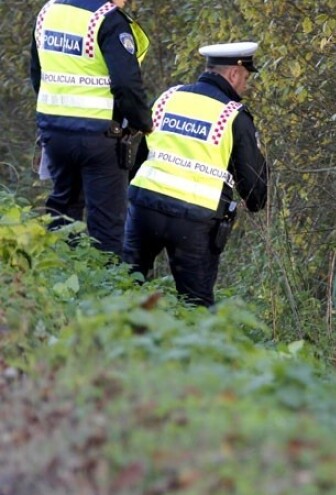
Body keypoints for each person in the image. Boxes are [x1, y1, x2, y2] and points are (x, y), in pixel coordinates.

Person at [123, 42, 269, 307]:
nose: (245, 87)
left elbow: (141, 157)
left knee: (124, 283)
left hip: (145, 208)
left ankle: (109, 339)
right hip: (194, 221)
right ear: (233, 74)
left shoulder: (169, 97)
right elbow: (254, 186)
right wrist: (255, 200)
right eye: (246, 78)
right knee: (196, 304)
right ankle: (190, 347)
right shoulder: (233, 115)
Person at [30, 0, 152, 258]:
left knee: (62, 207)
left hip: (54, 130)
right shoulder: (108, 20)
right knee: (106, 223)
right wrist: (143, 122)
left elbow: (37, 73)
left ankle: (61, 276)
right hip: (99, 137)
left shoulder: (49, 11)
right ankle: (107, 290)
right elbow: (126, 84)